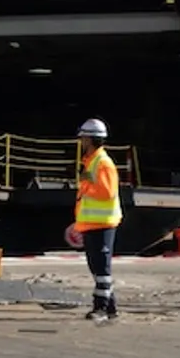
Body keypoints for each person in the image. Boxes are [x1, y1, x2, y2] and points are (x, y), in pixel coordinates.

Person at [70, 117, 123, 322]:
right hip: (92, 223)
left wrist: (88, 185)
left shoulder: (103, 163)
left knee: (101, 266)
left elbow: (108, 192)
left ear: (90, 139)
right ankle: (110, 306)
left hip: (102, 223)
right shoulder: (92, 162)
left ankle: (100, 307)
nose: (81, 142)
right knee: (97, 266)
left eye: (83, 138)